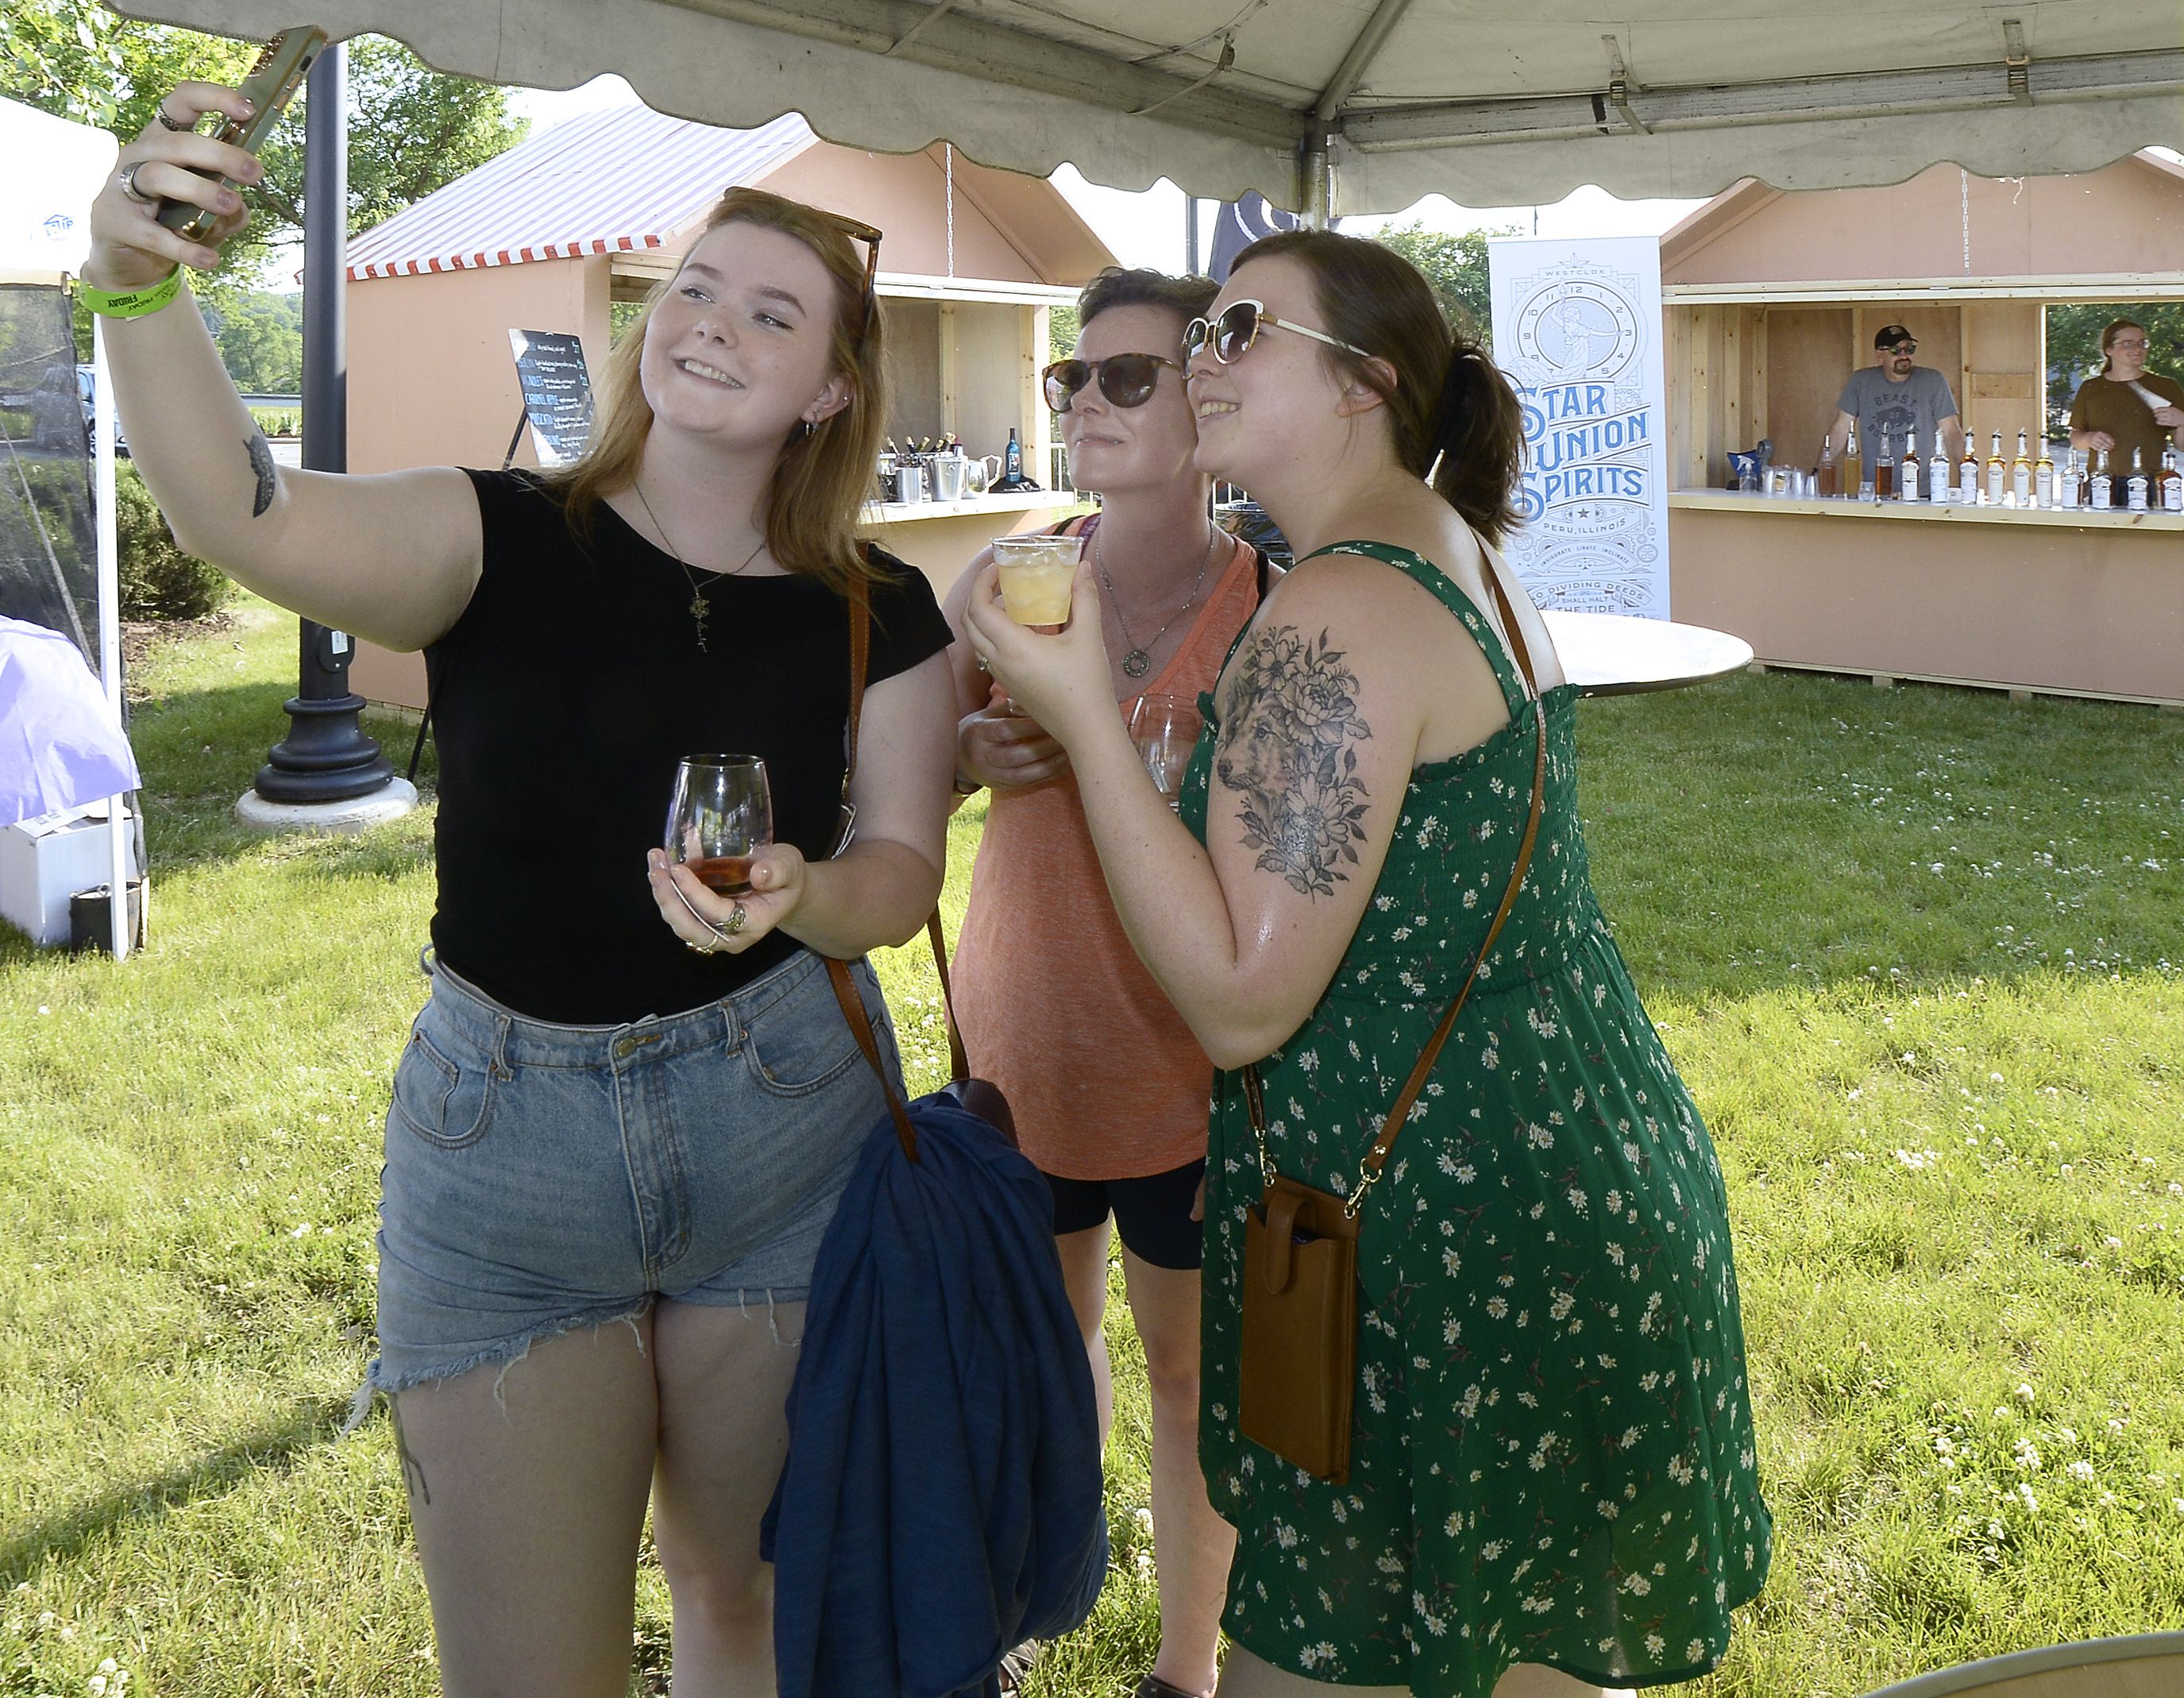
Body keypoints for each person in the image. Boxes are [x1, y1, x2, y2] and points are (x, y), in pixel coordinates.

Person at [82, 83, 956, 1698]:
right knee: (526, 1671)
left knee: (746, 1606)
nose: (710, 322)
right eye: (692, 286)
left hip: (785, 1125)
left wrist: (799, 898)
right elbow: (240, 515)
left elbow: (899, 877)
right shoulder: (488, 535)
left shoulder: (883, 607)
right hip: (507, 1148)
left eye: (772, 313)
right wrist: (137, 283)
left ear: (832, 387)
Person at [965, 233, 1770, 1698]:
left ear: (1364, 384)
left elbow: (1236, 993)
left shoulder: (1331, 603)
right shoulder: (1456, 554)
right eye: (1198, 334)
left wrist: (1085, 714)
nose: (1203, 360)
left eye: (1243, 331)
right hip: (1562, 1179)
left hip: (1442, 1234)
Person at [943, 266, 1267, 1698]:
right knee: (1037, 1353)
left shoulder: (1272, 609)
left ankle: (1185, 1671)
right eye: (1076, 375)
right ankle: (1024, 1610)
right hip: (1024, 1035)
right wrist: (973, 755)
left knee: (1189, 1375)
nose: (1084, 397)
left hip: (1189, 1064)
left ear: (1206, 406)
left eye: (1126, 376)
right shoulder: (1012, 579)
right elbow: (918, 768)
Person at [1823, 324, 1964, 482]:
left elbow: (1951, 431)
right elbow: (1841, 428)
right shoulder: (1861, 381)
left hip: (1924, 491)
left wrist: (1967, 474)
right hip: (1877, 488)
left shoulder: (1932, 380)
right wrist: (1818, 471)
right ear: (1880, 355)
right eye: (1896, 351)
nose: (1904, 356)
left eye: (1909, 349)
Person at [2068, 318, 2184, 486]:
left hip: (2150, 482)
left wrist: (2181, 421)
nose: (2137, 349)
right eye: (2128, 343)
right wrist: (2090, 439)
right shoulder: (2091, 388)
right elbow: (2076, 437)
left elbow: (2181, 445)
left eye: (2142, 343)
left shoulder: (2166, 386)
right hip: (2102, 480)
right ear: (2109, 349)